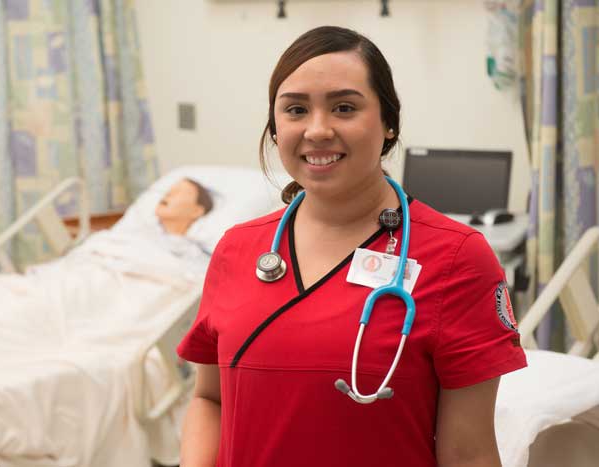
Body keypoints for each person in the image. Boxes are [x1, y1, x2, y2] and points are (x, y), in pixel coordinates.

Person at [177, 26, 527, 467]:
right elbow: (210, 401)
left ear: (389, 124)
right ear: (274, 128)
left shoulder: (457, 258)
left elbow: (470, 454)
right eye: (296, 110)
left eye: (344, 107)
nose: (318, 130)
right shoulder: (237, 250)